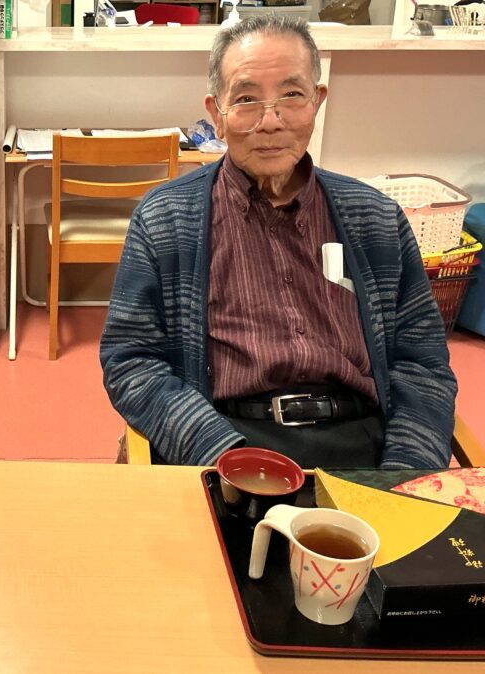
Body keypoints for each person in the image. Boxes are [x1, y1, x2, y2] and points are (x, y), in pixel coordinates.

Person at [101, 16, 456, 469]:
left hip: (361, 441)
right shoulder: (167, 218)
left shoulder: (376, 218)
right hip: (227, 439)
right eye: (246, 100)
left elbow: (422, 361)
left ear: (317, 101)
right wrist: (219, 452)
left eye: (291, 96)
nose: (270, 122)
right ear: (217, 113)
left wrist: (404, 473)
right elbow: (131, 360)